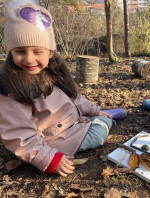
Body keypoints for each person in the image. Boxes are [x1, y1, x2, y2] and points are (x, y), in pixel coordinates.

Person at [0, 0, 113, 177]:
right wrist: (49, 158)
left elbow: (75, 98)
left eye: (37, 51)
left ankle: (101, 116)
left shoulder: (52, 73)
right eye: (20, 51)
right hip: (50, 143)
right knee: (100, 131)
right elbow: (18, 134)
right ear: (11, 52)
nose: (29, 59)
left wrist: (95, 110)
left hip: (70, 124)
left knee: (98, 118)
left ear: (50, 53)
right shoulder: (11, 88)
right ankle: (107, 118)